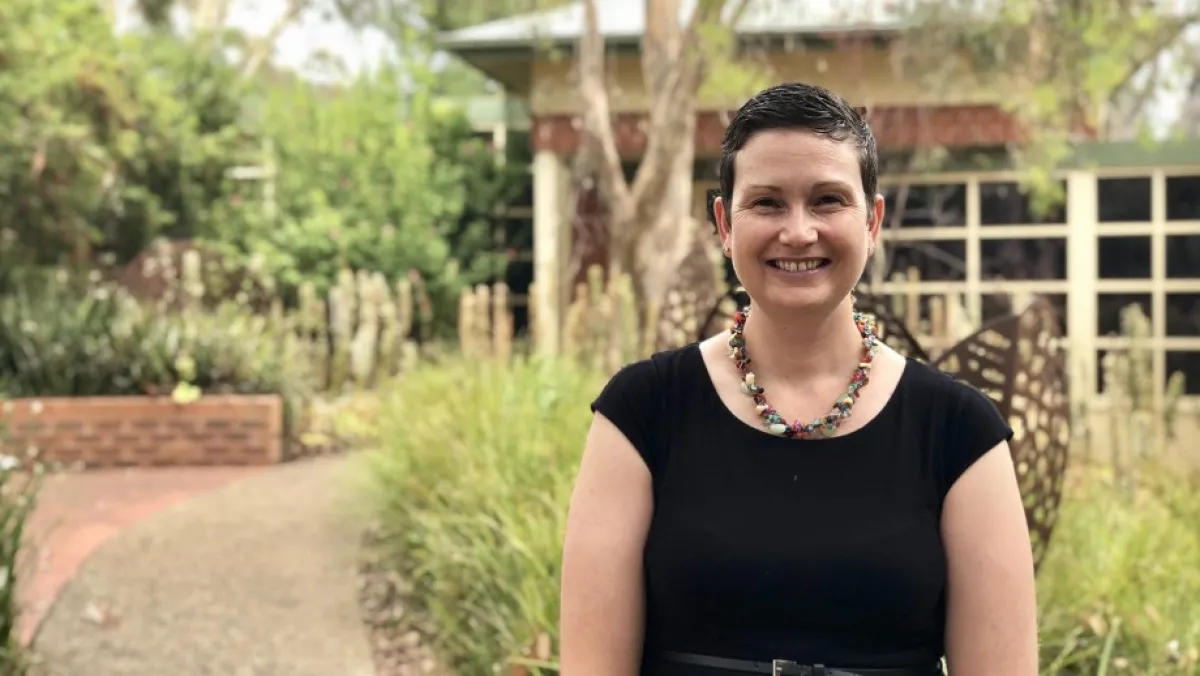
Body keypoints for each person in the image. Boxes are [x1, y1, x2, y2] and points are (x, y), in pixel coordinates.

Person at [558, 82, 1039, 676]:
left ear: (873, 222)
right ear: (723, 223)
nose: (798, 232)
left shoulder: (960, 433)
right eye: (766, 203)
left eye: (828, 200)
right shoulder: (642, 413)